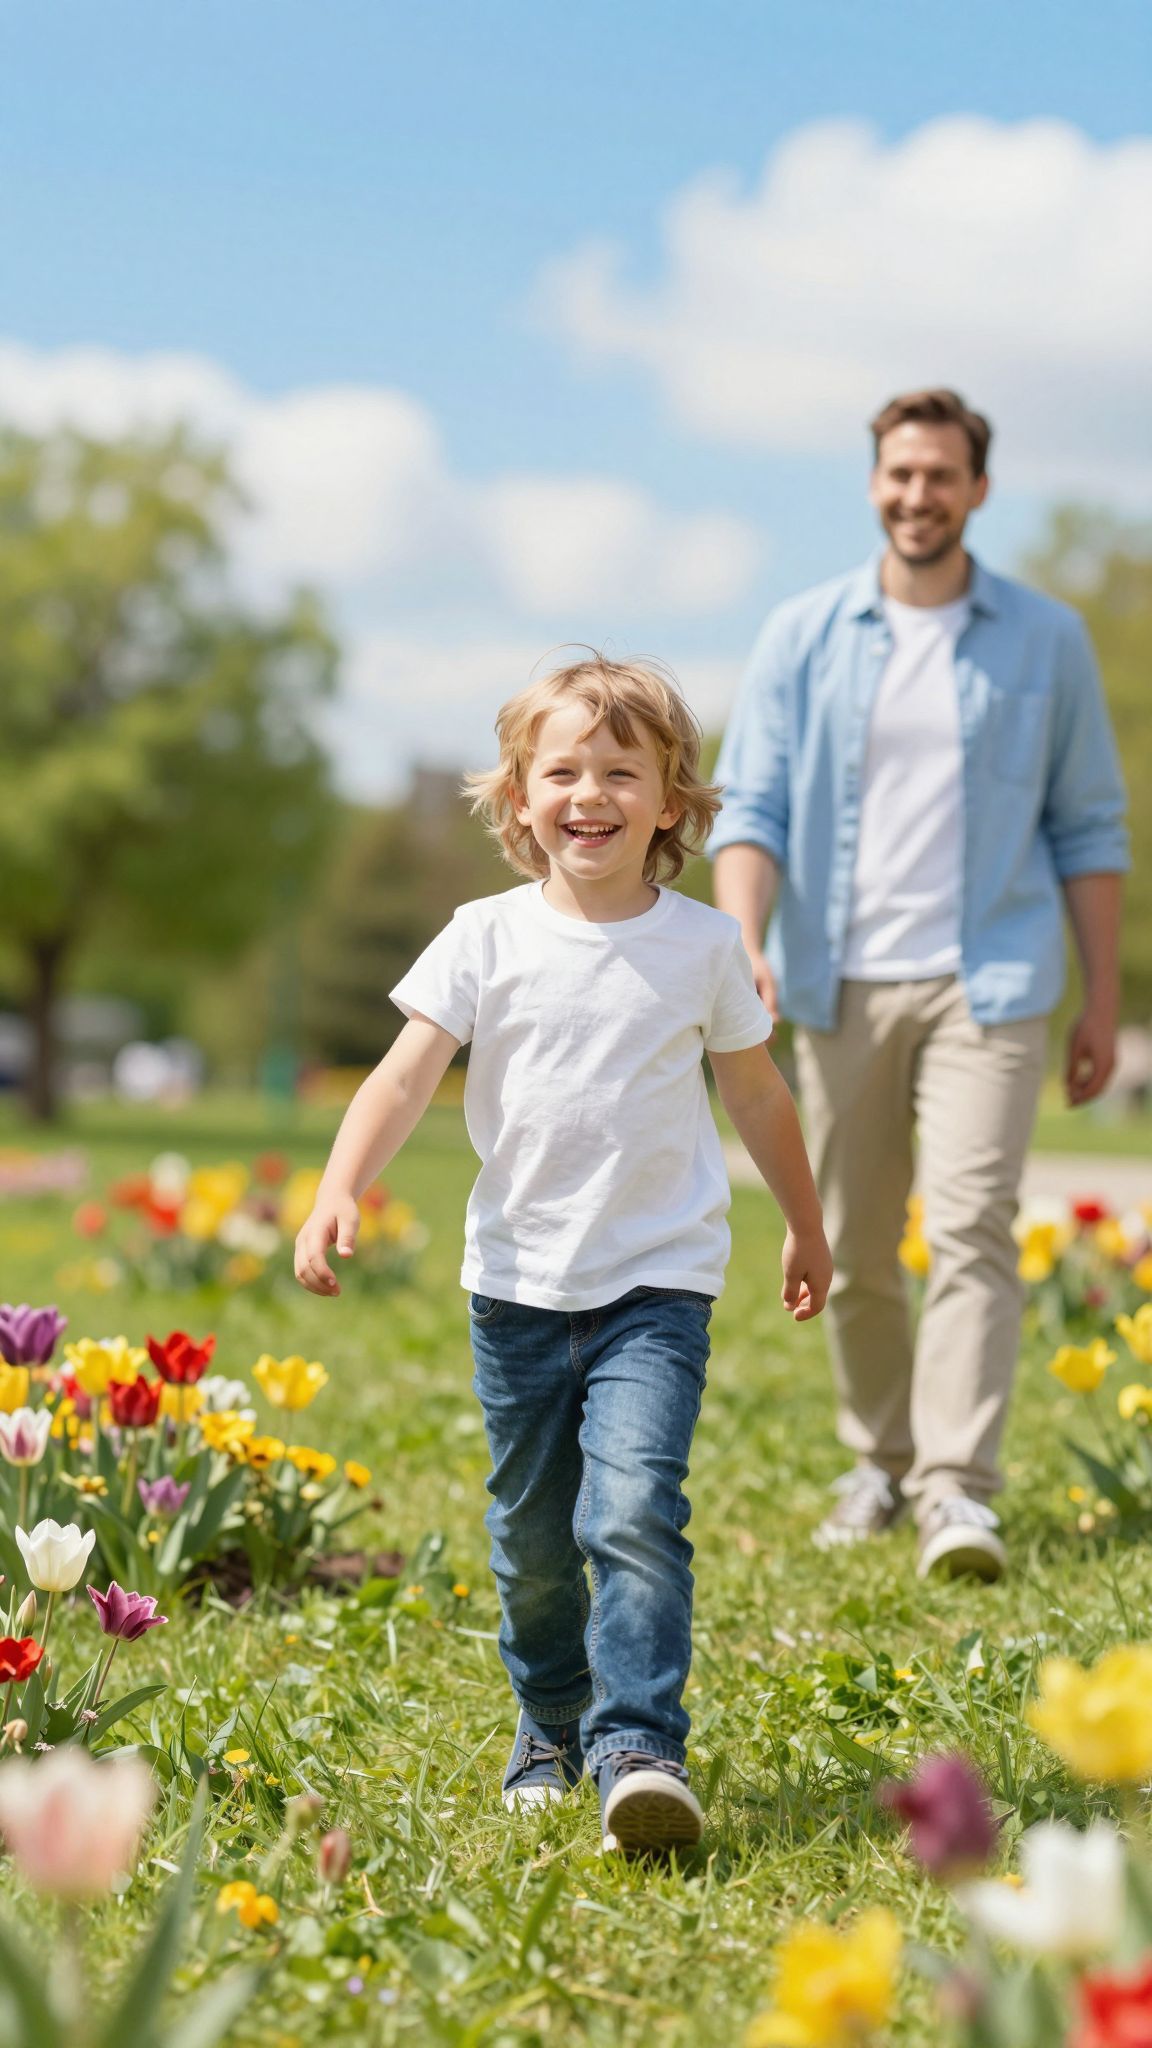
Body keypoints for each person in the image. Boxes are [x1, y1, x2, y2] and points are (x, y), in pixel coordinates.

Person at [295, 654, 832, 1855]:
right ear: (520, 798)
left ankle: (638, 1743)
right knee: (534, 1538)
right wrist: (339, 1186)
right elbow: (401, 1076)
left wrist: (803, 1217)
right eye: (563, 771)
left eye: (620, 771)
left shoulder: (702, 947)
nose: (589, 793)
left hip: (659, 1285)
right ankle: (548, 1719)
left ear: (670, 803)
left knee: (634, 1507)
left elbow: (756, 1094)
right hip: (518, 1289)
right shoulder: (482, 936)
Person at [712, 389, 1129, 1583]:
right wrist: (746, 937)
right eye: (900, 473)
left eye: (942, 474)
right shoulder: (803, 632)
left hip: (990, 981)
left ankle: (958, 1486)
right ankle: (881, 1460)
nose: (918, 494)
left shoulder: (1044, 638)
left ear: (979, 489)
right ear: (874, 483)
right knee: (847, 1234)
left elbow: (1088, 823)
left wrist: (1099, 997)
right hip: (839, 978)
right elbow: (755, 805)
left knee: (973, 1226)